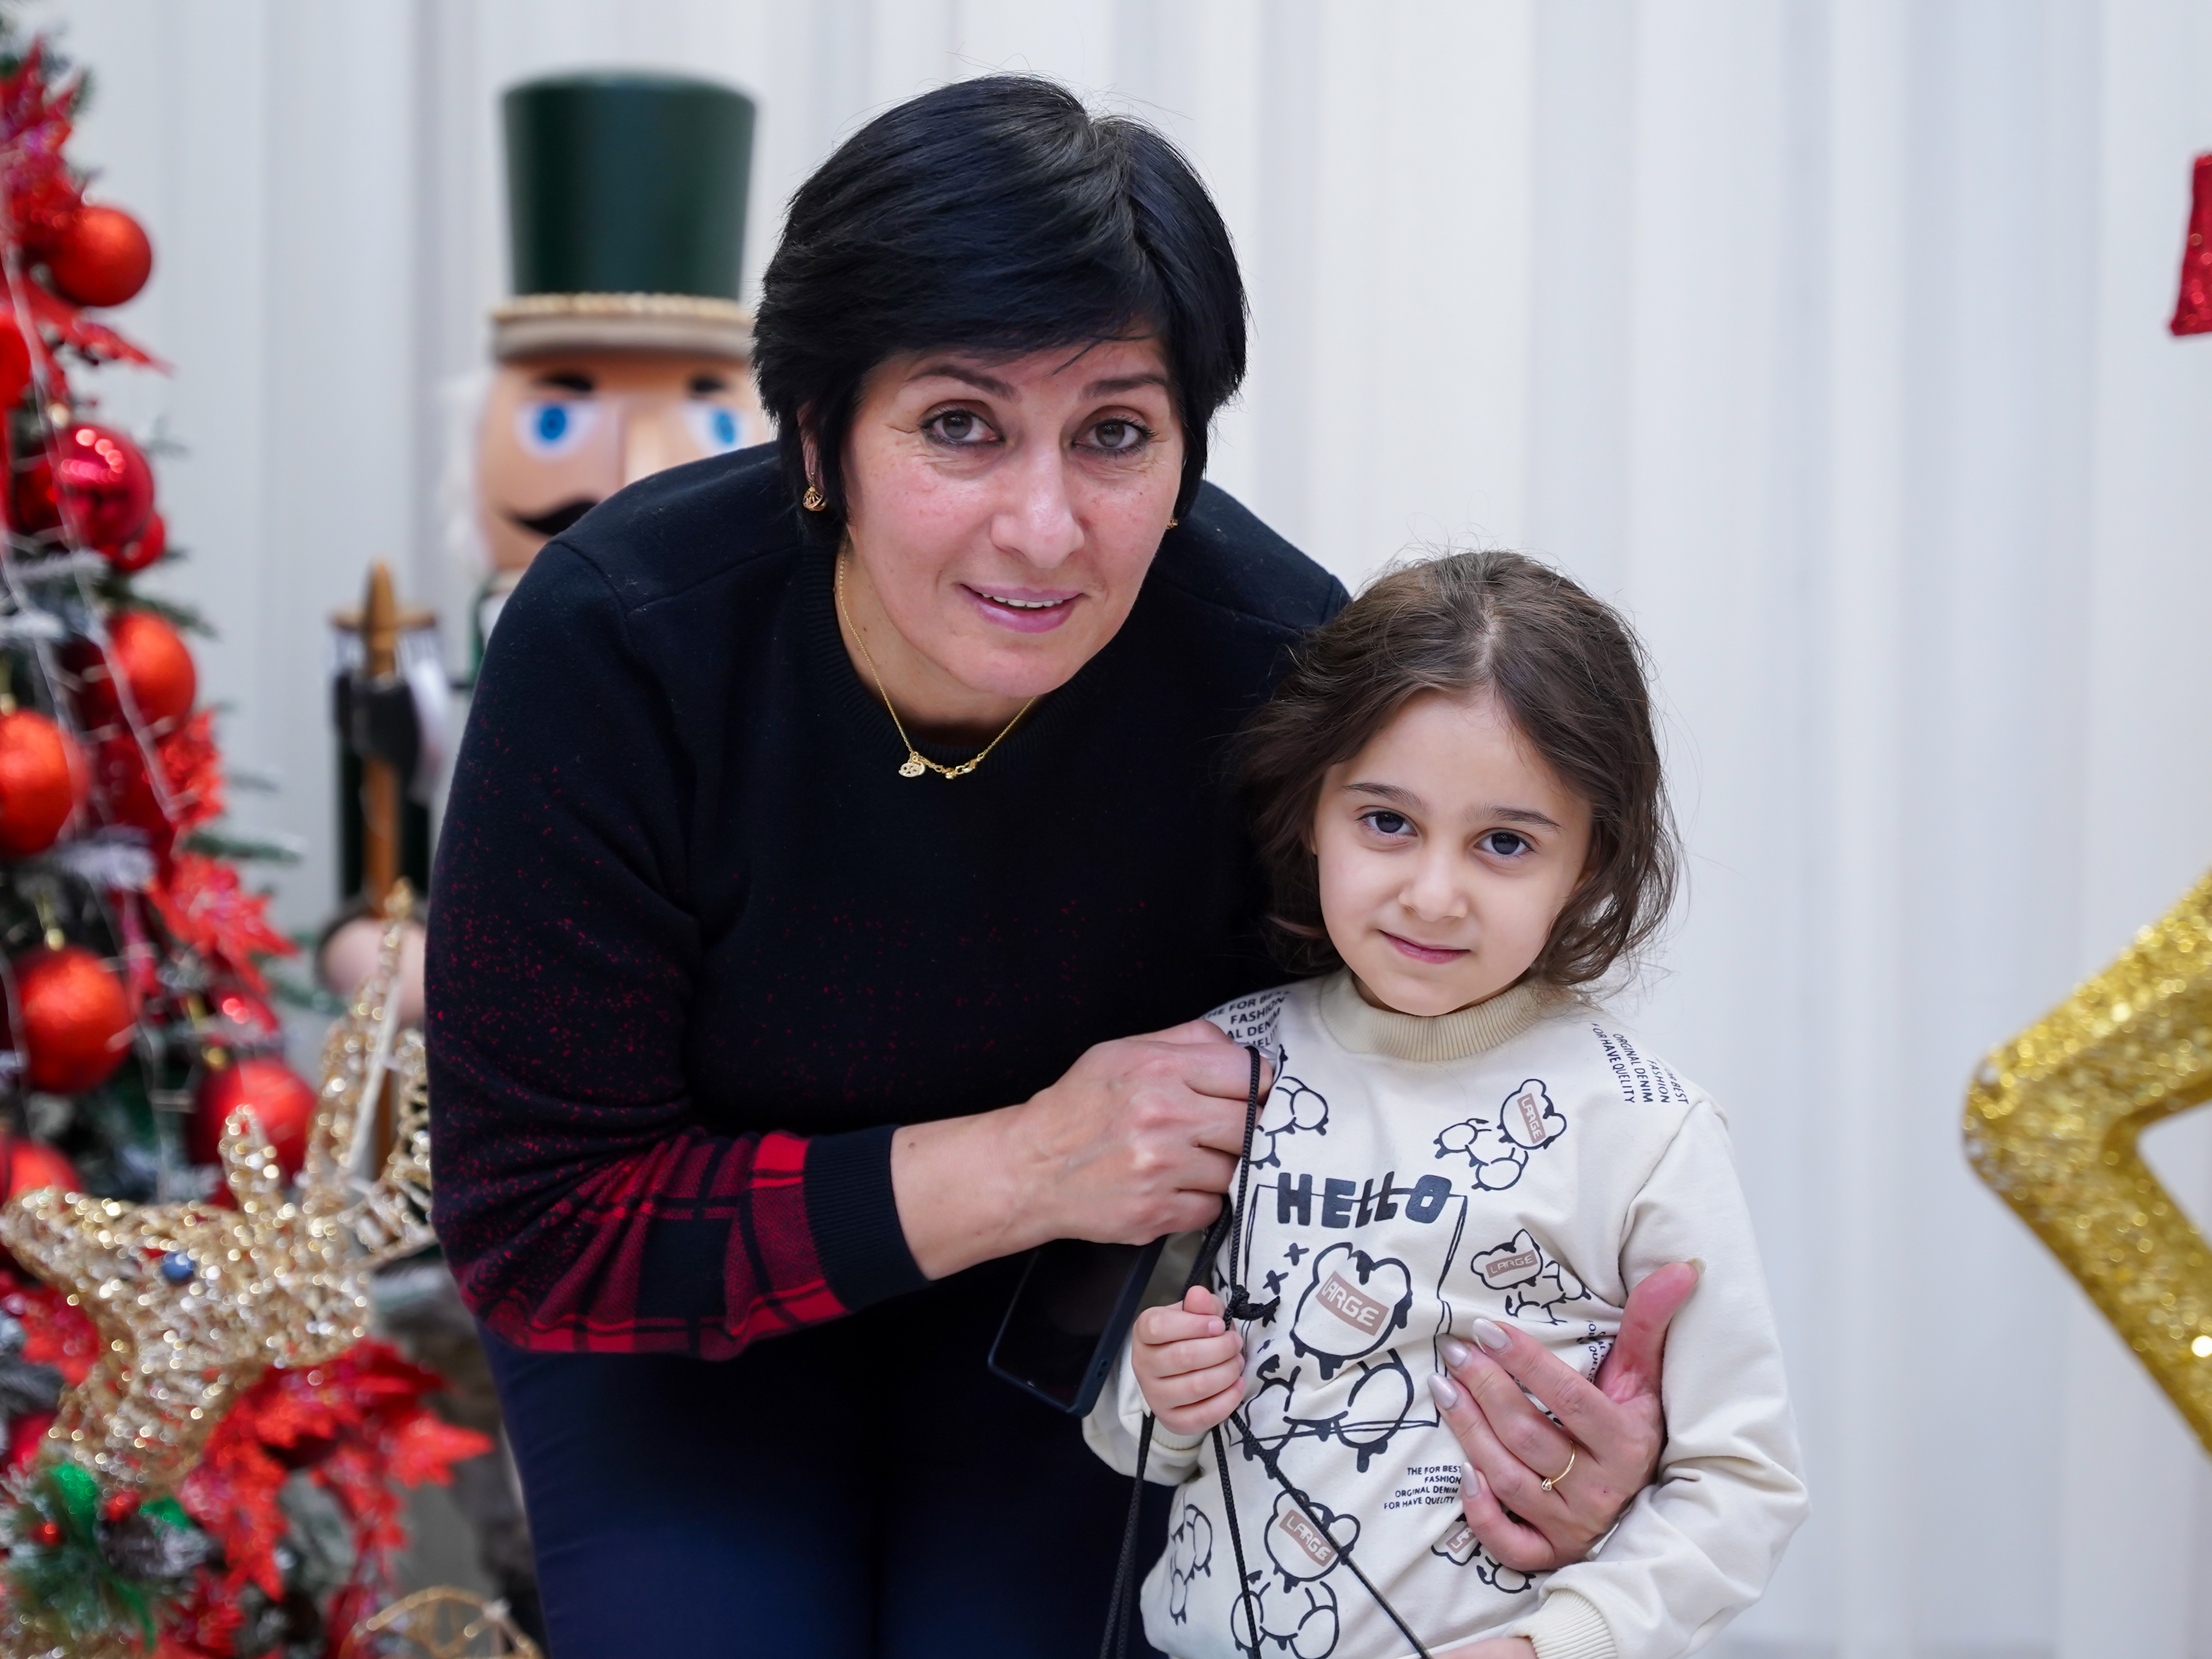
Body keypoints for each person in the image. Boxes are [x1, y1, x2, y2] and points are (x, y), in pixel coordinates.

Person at [427, 77, 1687, 1658]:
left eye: (1114, 435)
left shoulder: (1276, 671)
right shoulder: (618, 641)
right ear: (818, 437)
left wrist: (1579, 1427)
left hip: (1086, 1330)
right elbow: (543, 1226)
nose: (1044, 526)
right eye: (960, 426)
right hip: (689, 1322)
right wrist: (1027, 1161)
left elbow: (1429, 1071)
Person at [1089, 551, 1807, 1659]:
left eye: (1504, 843)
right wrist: (1157, 1393)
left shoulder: (1643, 1128)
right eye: (1386, 822)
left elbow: (1742, 1484)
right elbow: (1130, 1436)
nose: (1433, 894)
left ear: (1591, 862)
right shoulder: (1215, 1070)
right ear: (1311, 810)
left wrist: (1558, 1646)